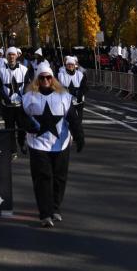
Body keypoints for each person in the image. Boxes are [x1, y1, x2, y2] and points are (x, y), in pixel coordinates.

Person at [22, 62, 84, 228]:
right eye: (42, 78)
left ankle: (55, 208)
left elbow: (72, 118)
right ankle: (45, 213)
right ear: (37, 79)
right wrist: (23, 135)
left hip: (60, 144)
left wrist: (79, 136)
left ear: (53, 78)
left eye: (48, 77)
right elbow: (22, 118)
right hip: (38, 144)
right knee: (43, 178)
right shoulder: (29, 97)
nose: (45, 80)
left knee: (59, 178)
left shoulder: (64, 96)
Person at [58, 56, 88, 122]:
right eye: (68, 64)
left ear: (75, 65)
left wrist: (80, 93)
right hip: (66, 101)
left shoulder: (80, 74)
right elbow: (58, 86)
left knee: (79, 121)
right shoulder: (61, 75)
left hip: (78, 101)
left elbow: (85, 87)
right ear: (66, 65)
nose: (70, 66)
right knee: (68, 120)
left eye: (72, 64)